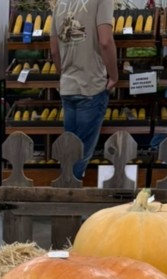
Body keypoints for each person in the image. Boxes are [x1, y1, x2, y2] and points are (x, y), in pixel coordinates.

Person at [49, 0, 118, 181]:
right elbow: (105, 41)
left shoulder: (59, 4)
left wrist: (64, 75)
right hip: (91, 85)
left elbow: (54, 50)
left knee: (69, 150)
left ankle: (64, 187)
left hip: (67, 87)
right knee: (82, 152)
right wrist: (114, 75)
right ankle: (69, 192)